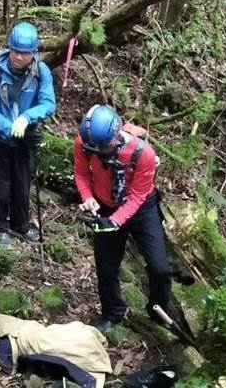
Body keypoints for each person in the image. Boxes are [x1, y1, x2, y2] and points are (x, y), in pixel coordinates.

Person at [73, 104, 170, 333]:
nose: (99, 153)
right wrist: (87, 197)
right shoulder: (84, 144)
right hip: (105, 203)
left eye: (104, 148)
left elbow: (137, 196)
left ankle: (157, 308)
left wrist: (115, 222)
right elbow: (81, 172)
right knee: (106, 268)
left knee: (159, 268)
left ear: (116, 136)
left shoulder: (143, 153)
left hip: (141, 208)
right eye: (94, 149)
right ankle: (112, 312)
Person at [0, 22, 56, 248]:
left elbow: (48, 104)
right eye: (15, 50)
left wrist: (26, 118)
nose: (18, 57)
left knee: (23, 182)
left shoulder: (40, 72)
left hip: (26, 133)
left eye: (24, 53)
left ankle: (21, 224)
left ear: (33, 52)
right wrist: (8, 128)